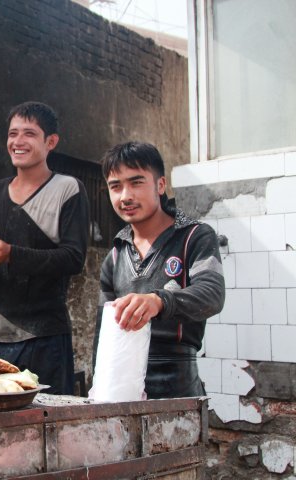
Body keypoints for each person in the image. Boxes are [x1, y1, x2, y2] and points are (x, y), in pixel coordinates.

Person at [0, 101, 90, 394]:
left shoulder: (68, 188)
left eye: (29, 134)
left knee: (45, 425)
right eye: (12, 134)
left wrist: (10, 253)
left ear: (51, 142)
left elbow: (73, 259)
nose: (18, 142)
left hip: (44, 336)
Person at [94, 141, 225, 399]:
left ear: (161, 185)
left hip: (177, 382)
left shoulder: (195, 237)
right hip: (120, 384)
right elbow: (103, 333)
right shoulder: (115, 255)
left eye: (136, 182)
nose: (125, 196)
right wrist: (97, 385)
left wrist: (158, 301)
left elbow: (212, 293)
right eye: (115, 186)